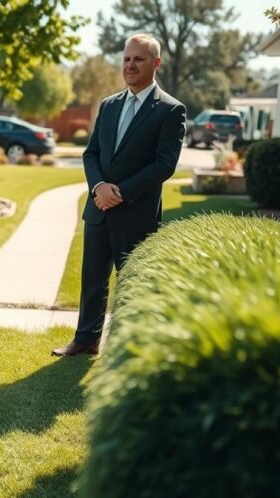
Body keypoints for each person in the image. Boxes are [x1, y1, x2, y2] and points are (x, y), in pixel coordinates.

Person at [53, 33, 186, 357]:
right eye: (126, 59)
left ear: (155, 63)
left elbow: (164, 165)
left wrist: (121, 193)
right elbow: (91, 154)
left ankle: (129, 349)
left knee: (133, 285)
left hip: (136, 214)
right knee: (92, 281)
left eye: (138, 59)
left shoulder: (171, 110)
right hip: (99, 208)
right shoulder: (109, 105)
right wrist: (99, 187)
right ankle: (85, 340)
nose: (130, 65)